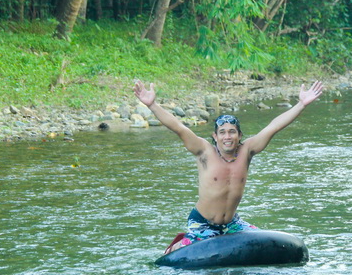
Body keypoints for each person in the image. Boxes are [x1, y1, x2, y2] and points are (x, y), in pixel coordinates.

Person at [133, 80, 324, 254]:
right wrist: (152, 105)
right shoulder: (204, 152)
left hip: (233, 224)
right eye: (222, 132)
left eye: (232, 132)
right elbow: (178, 127)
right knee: (182, 258)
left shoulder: (247, 151)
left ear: (239, 135)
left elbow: (273, 127)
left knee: (270, 243)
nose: (227, 137)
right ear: (215, 137)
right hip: (203, 223)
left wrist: (301, 105)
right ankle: (180, 243)